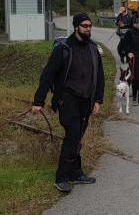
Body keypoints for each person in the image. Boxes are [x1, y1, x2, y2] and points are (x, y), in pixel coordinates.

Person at [32, 13, 105, 193]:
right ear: (76, 27)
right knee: (73, 135)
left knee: (77, 136)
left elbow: (100, 76)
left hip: (86, 100)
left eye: (90, 25)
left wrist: (98, 99)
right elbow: (48, 75)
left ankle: (75, 173)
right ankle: (62, 177)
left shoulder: (93, 49)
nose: (88, 28)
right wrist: (38, 101)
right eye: (85, 25)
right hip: (67, 99)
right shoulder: (63, 48)